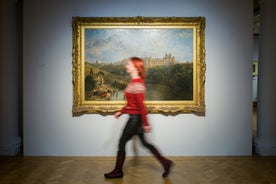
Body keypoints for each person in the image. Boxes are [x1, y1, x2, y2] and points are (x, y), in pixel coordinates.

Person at [104, 57, 173, 179]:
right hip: (136, 118)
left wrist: (146, 123)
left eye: (128, 64)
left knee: (122, 142)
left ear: (135, 67)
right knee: (145, 143)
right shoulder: (134, 82)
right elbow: (132, 104)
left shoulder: (137, 84)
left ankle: (118, 171)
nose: (126, 66)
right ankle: (165, 163)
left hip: (135, 119)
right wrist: (121, 112)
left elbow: (141, 106)